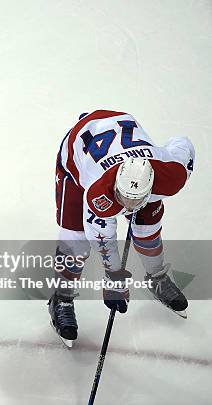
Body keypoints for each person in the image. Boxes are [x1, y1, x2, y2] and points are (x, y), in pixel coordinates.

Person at [51, 110, 195, 344]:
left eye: (135, 200)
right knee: (75, 242)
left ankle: (157, 277)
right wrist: (114, 279)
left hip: (127, 142)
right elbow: (103, 241)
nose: (128, 206)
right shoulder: (100, 193)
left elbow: (183, 144)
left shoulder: (172, 174)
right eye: (124, 197)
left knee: (147, 231)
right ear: (116, 185)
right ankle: (61, 298)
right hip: (79, 153)